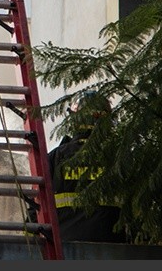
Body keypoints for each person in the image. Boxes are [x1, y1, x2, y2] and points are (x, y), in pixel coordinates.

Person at [47, 90, 127, 243]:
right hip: (113, 250)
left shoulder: (54, 159)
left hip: (63, 250)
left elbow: (36, 210)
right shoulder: (118, 157)